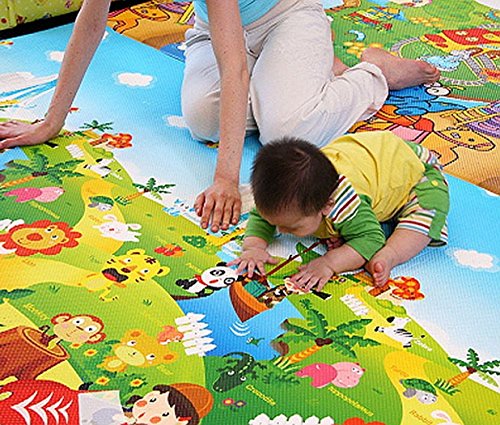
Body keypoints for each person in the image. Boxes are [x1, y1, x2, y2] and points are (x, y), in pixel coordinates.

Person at [0, 0, 440, 233]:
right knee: (203, 121)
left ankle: (373, 73)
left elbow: (234, 69)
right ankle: (305, 73)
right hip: (215, 29)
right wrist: (51, 121)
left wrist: (226, 179)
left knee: (286, 130)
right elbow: (92, 23)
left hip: (286, 15)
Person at [230, 131, 449, 290]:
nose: (280, 230)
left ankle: (391, 255)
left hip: (418, 173)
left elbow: (371, 239)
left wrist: (329, 263)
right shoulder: (289, 193)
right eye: (275, 223)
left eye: (292, 227)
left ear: (327, 206)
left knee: (425, 218)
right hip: (375, 155)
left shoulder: (344, 201)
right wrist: (253, 247)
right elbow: (261, 216)